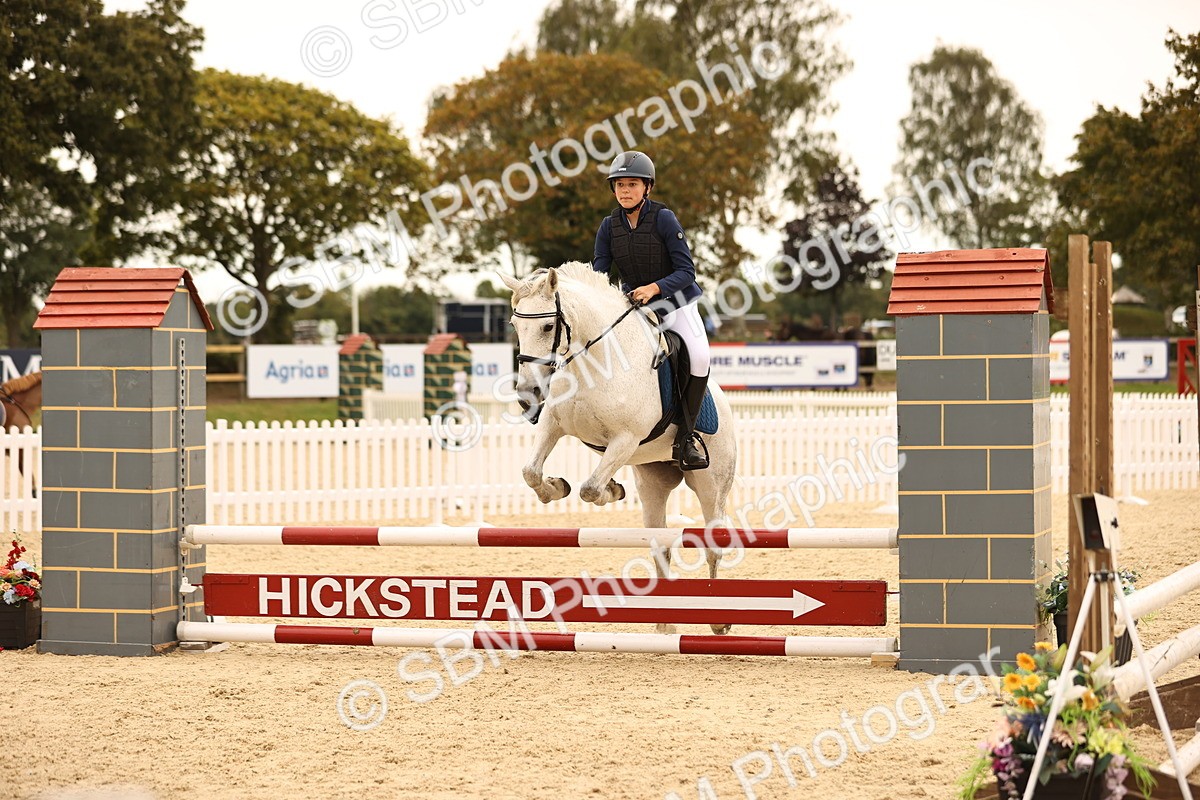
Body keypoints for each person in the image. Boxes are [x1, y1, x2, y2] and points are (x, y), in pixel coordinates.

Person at [592, 150, 710, 470]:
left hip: (676, 302)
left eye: (632, 184)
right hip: (635, 308)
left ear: (647, 188)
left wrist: (654, 288)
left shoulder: (664, 218)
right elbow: (598, 276)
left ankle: (687, 437)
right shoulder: (608, 226)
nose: (625, 191)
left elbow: (687, 272)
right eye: (619, 185)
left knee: (699, 356)